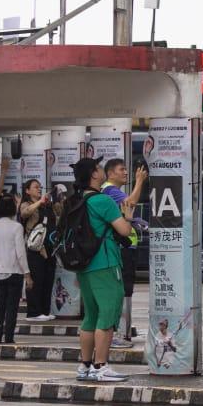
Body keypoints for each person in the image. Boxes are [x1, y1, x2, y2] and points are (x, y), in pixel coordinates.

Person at [71, 156, 134, 382]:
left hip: (84, 265)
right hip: (105, 263)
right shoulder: (103, 201)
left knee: (91, 316)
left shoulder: (77, 200)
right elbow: (125, 231)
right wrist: (128, 217)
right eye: (98, 168)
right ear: (94, 174)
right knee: (107, 315)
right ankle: (101, 366)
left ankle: (85, 366)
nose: (101, 170)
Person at [100, 157, 148, 349]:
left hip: (126, 247)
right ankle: (119, 333)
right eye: (122, 169)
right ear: (110, 173)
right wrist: (139, 181)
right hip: (121, 248)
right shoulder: (110, 191)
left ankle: (122, 332)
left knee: (125, 291)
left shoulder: (113, 191)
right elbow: (131, 203)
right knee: (121, 291)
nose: (126, 173)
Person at [0, 194, 28, 345]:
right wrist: (27, 273)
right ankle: (9, 336)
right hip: (15, 271)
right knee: (12, 306)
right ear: (13, 208)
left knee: (0, 305)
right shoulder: (17, 227)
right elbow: (20, 253)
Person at [18, 178, 57, 321]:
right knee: (36, 279)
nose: (39, 189)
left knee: (48, 279)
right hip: (35, 249)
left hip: (49, 247)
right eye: (35, 187)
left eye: (40, 187)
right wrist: (40, 202)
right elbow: (24, 214)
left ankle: (44, 311)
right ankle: (33, 312)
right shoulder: (26, 204)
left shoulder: (47, 205)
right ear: (27, 190)